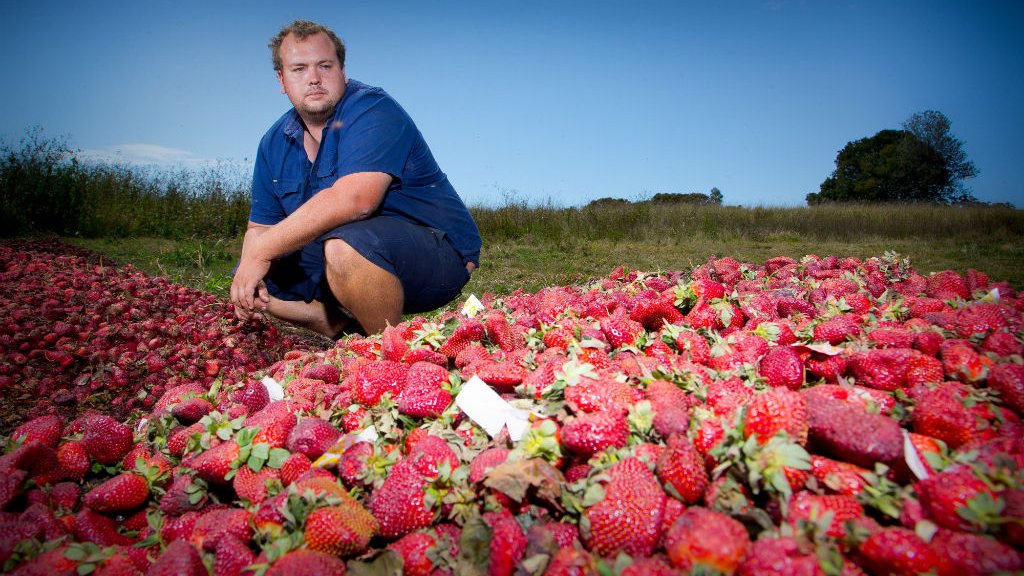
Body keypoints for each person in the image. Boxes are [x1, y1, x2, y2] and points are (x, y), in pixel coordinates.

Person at [230, 19, 481, 337]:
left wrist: (261, 251)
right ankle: (346, 332)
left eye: (325, 65)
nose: (314, 79)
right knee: (250, 280)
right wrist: (252, 260)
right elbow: (260, 228)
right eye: (299, 69)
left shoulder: (372, 109)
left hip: (437, 253)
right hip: (352, 253)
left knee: (345, 247)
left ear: (342, 71)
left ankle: (390, 352)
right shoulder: (273, 142)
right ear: (281, 79)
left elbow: (357, 200)